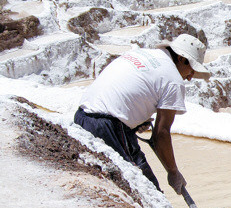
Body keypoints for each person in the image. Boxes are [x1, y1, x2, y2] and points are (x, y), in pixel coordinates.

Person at [74, 34, 211, 195]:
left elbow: (127, 90)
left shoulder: (143, 54)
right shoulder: (173, 80)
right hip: (107, 127)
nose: (190, 77)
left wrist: (134, 120)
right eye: (192, 70)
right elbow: (161, 133)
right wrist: (173, 172)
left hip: (82, 117)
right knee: (147, 192)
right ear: (181, 59)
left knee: (144, 187)